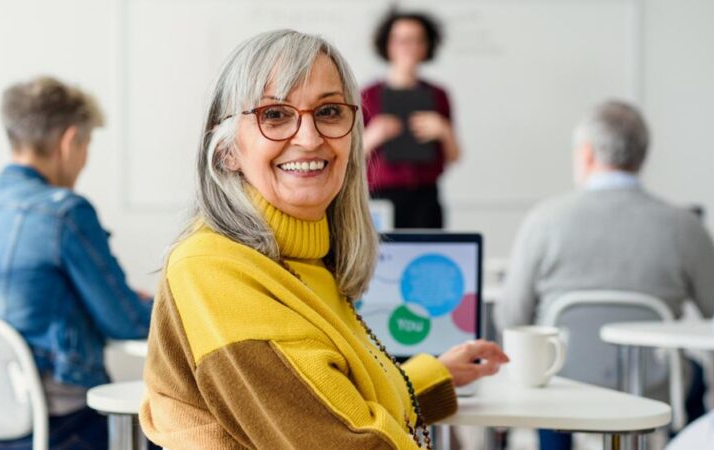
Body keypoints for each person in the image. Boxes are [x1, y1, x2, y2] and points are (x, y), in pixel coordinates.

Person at [139, 30, 507, 449]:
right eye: (274, 115)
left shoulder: (309, 259)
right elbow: (342, 440)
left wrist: (432, 376)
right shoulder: (213, 267)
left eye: (329, 111)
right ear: (226, 151)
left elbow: (330, 404)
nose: (310, 138)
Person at [499, 100, 714, 450]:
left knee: (544, 384)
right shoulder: (684, 226)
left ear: (586, 154)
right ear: (642, 156)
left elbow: (511, 317)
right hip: (656, 386)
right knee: (693, 379)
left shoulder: (543, 221)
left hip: (564, 384)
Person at [0, 77, 153, 449]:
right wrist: (155, 306)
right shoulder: (65, 214)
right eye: (87, 145)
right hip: (62, 429)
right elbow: (125, 322)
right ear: (70, 142)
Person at [362, 10, 461, 229]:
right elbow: (350, 157)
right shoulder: (367, 95)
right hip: (380, 198)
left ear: (426, 46)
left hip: (426, 198)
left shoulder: (439, 95)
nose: (409, 47)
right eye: (402, 40)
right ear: (388, 45)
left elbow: (455, 156)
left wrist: (444, 131)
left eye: (417, 40)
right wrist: (373, 136)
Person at [666, 257, 714, 450]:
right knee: (694, 375)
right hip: (660, 376)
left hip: (582, 379)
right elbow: (709, 302)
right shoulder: (683, 229)